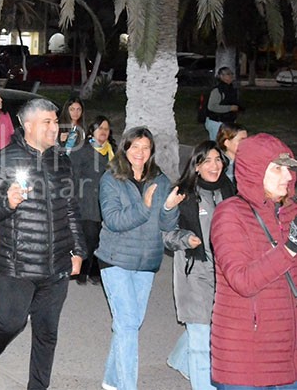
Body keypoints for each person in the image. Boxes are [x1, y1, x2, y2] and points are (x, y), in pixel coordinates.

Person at [0, 98, 86, 390]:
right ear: (28, 125)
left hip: (57, 263)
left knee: (47, 333)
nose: (54, 128)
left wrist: (78, 250)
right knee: (11, 322)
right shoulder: (3, 160)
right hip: (17, 263)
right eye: (47, 122)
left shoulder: (62, 161)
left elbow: (71, 208)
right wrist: (7, 203)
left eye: (55, 121)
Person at [96, 126, 185, 390]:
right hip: (115, 260)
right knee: (127, 325)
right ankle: (127, 385)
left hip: (147, 262)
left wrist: (169, 208)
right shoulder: (111, 179)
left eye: (146, 147)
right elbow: (113, 220)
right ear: (125, 148)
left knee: (130, 324)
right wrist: (144, 207)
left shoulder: (161, 180)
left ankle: (112, 379)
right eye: (135, 146)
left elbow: (167, 225)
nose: (140, 152)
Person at [209, 133, 297, 389]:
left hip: (288, 355)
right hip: (245, 359)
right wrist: (290, 247)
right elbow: (243, 281)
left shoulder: (291, 214)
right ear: (255, 171)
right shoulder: (230, 213)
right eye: (277, 169)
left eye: (289, 168)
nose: (288, 176)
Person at [164, 141, 234, 390]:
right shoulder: (183, 194)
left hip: (226, 274)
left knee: (216, 333)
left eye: (218, 160)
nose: (214, 166)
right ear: (196, 166)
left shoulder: (230, 191)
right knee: (201, 341)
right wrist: (186, 239)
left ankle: (179, 360)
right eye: (207, 161)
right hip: (194, 271)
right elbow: (166, 234)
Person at [69, 115, 114, 285]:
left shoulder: (112, 152)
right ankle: (82, 270)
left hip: (106, 202)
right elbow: (72, 176)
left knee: (101, 238)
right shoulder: (82, 150)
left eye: (106, 129)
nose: (103, 132)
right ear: (92, 131)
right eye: (100, 128)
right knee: (89, 237)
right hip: (86, 201)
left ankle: (95, 272)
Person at [204, 67, 241, 141]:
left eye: (231, 73)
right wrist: (230, 108)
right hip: (216, 122)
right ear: (221, 76)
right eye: (228, 74)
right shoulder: (217, 90)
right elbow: (211, 107)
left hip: (228, 121)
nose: (231, 76)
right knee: (217, 144)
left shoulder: (231, 89)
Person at [215, 122, 248, 188]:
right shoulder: (220, 166)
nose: (246, 143)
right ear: (227, 143)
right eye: (241, 140)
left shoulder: (247, 161)